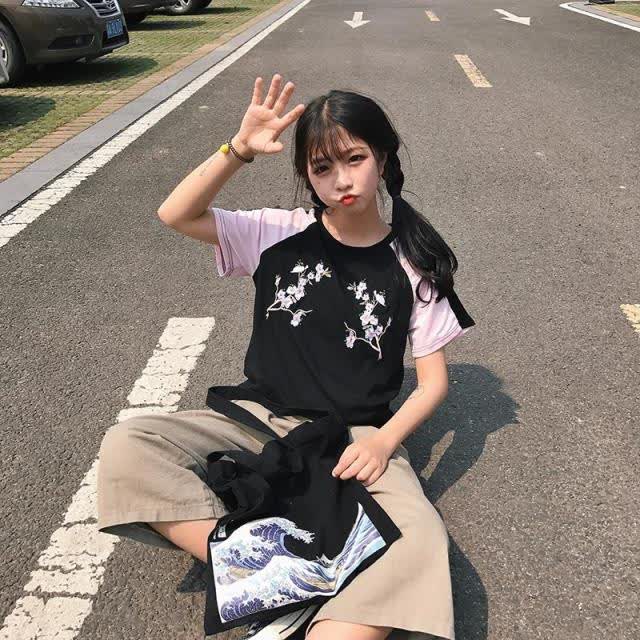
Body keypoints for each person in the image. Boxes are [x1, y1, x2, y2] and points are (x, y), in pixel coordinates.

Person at [97, 73, 476, 640]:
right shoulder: (278, 233)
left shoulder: (413, 262)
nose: (341, 180)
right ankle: (272, 575)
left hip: (353, 439)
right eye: (322, 168)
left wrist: (383, 442)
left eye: (354, 159)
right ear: (306, 175)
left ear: (382, 156)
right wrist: (238, 150)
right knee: (130, 446)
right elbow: (176, 214)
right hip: (258, 420)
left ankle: (295, 588)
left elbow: (432, 383)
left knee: (418, 539)